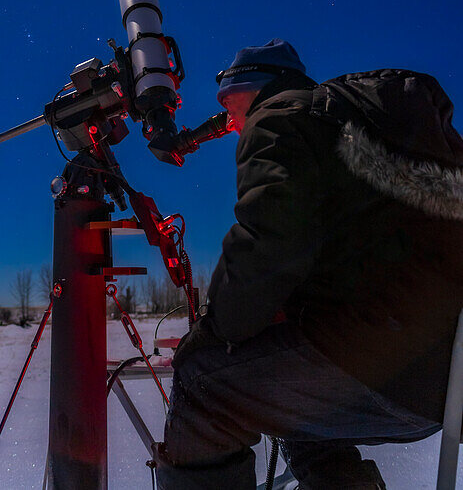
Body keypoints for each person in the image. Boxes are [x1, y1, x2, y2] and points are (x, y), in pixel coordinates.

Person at [157, 39, 463, 490]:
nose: (227, 116)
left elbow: (267, 243)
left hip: (380, 370)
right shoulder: (369, 125)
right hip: (444, 383)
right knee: (293, 400)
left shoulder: (281, 114)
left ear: (254, 85)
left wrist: (213, 332)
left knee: (202, 384)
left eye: (228, 99)